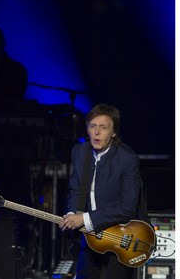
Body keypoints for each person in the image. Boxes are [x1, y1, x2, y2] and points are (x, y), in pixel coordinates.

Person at [59, 104, 150, 279]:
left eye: (103, 127)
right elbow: (75, 189)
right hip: (91, 237)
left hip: (121, 237)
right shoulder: (79, 152)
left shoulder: (127, 159)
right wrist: (71, 213)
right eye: (93, 126)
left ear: (113, 132)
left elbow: (127, 209)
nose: (97, 132)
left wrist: (84, 219)